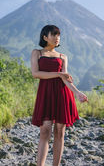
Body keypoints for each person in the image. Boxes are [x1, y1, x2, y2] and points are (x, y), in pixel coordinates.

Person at [31, 25, 88, 166]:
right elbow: (35, 74)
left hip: (62, 94)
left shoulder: (63, 56)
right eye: (54, 34)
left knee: (60, 132)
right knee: (45, 130)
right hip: (46, 94)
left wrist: (77, 92)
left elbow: (66, 78)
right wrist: (58, 74)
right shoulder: (37, 53)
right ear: (45, 37)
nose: (57, 38)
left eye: (58, 35)